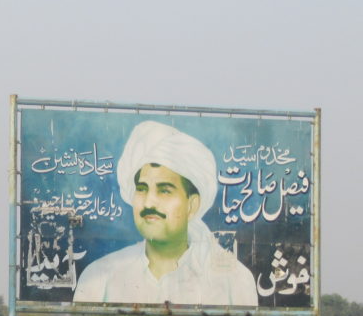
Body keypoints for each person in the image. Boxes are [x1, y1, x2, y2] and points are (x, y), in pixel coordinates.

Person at [72, 120, 258, 306]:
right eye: (142, 189)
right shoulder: (99, 277)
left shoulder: (234, 282)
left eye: (165, 190)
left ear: (192, 205)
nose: (149, 202)